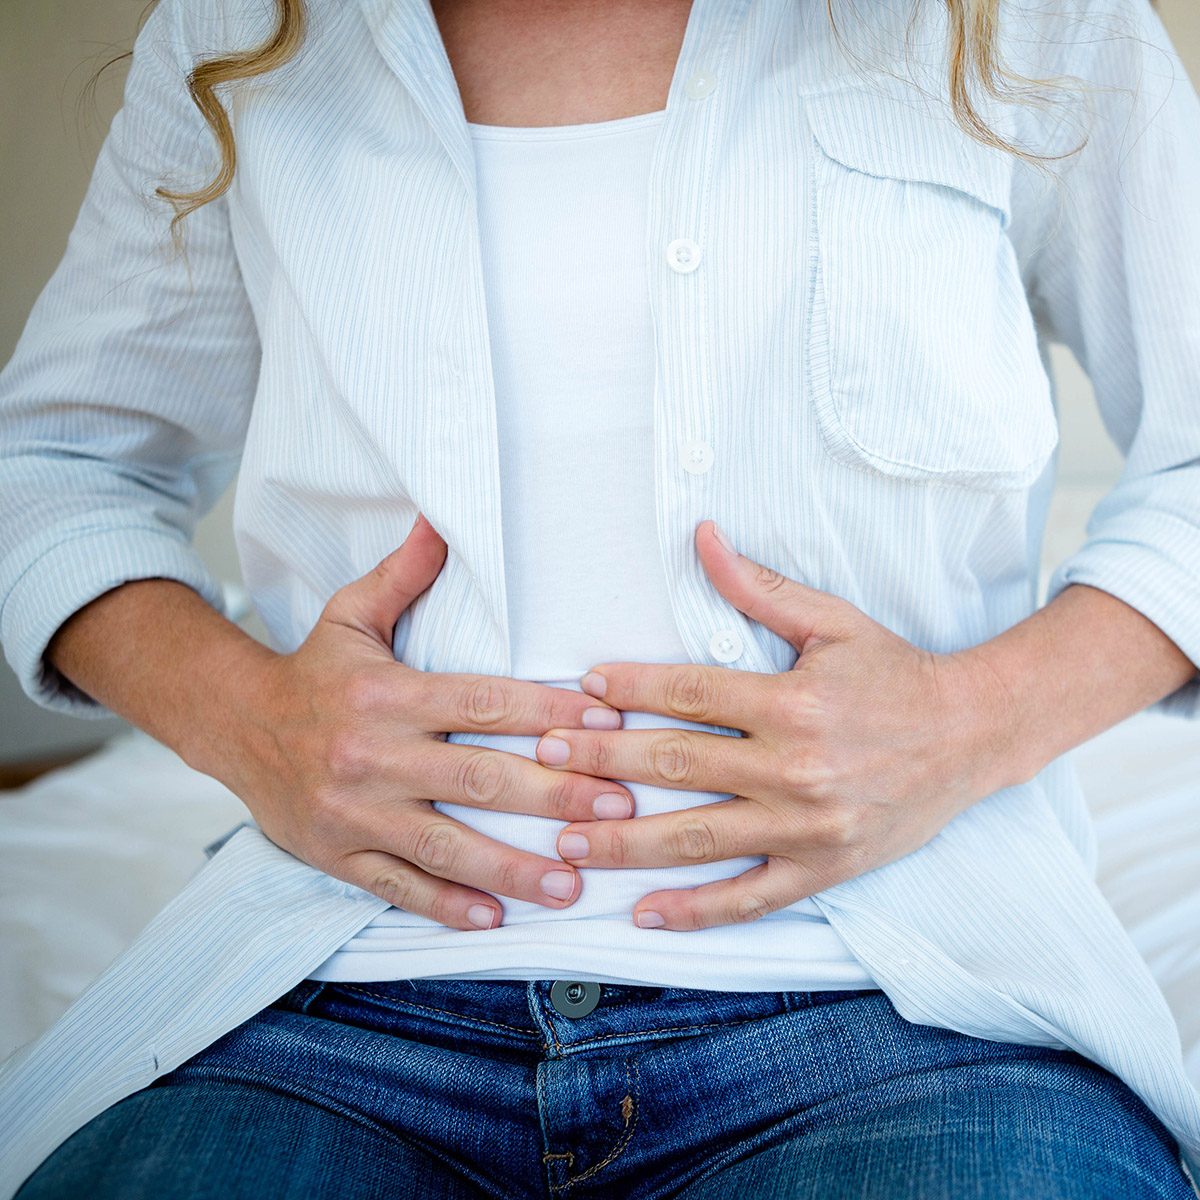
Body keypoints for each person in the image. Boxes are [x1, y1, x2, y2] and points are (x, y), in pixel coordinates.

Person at [1, 0, 1199, 1194]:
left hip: (918, 1010)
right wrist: (249, 717)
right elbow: (56, 469)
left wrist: (960, 724)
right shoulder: (238, 34)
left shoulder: (1034, 23)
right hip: (328, 994)